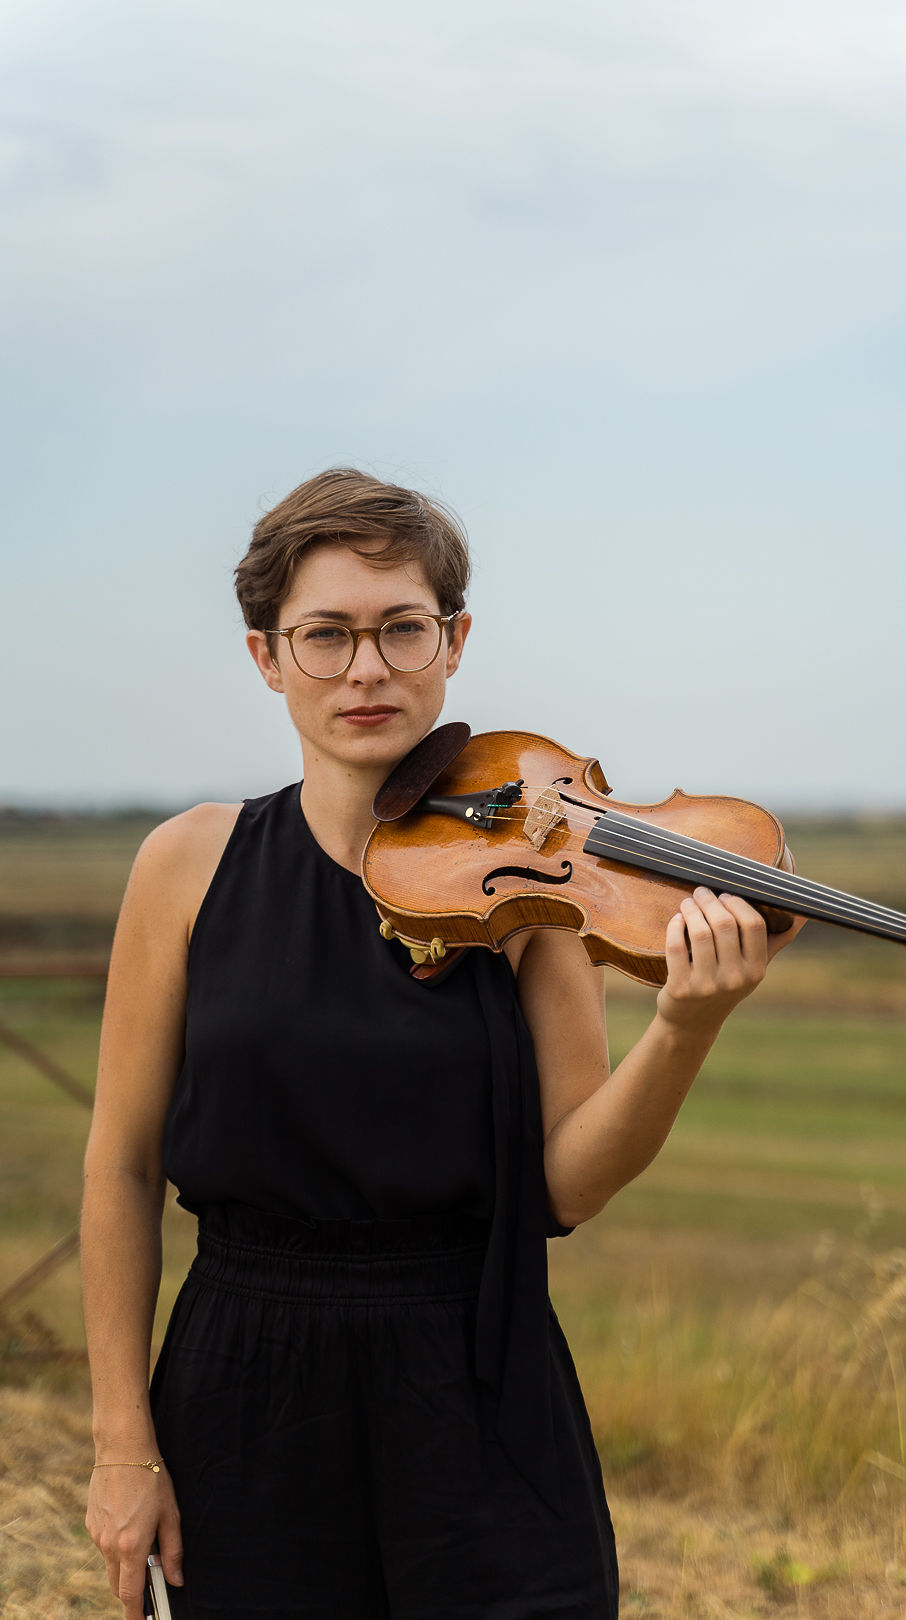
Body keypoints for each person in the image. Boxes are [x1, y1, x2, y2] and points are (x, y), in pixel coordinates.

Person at [82, 467, 803, 1620]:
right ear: (266, 657)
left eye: (402, 630)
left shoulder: (527, 894)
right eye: (325, 636)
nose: (367, 670)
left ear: (454, 641)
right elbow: (121, 1167)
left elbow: (567, 1184)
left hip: (474, 1380)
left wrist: (684, 1028)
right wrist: (125, 1445)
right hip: (243, 1384)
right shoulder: (188, 863)